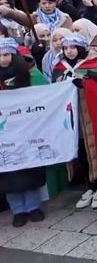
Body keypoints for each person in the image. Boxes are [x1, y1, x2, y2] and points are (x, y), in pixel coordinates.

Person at [0, 38, 47, 226]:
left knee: (29, 167)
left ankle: (33, 206)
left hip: (26, 128)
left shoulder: (28, 73)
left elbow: (43, 96)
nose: (3, 59)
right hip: (4, 132)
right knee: (8, 171)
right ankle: (18, 209)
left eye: (6, 54)